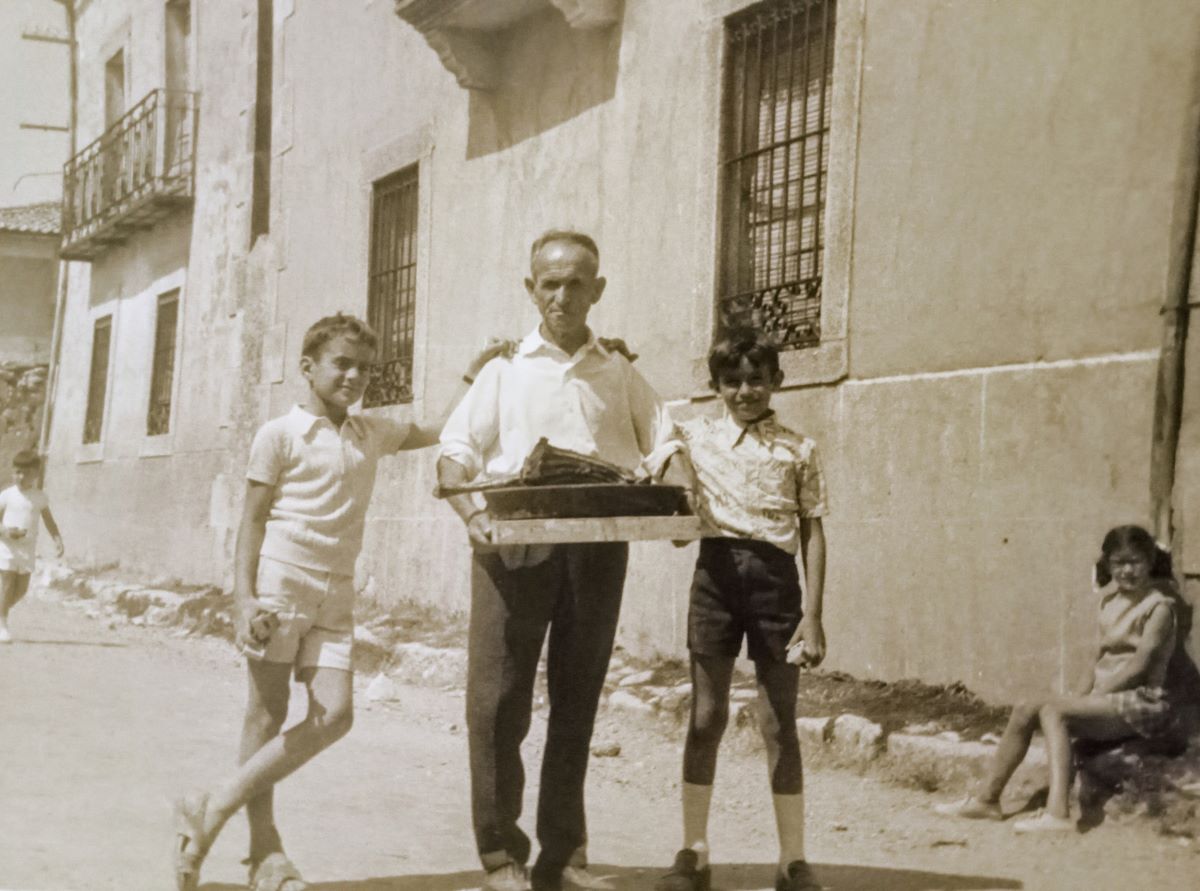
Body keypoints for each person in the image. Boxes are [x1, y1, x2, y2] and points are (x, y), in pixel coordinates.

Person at [173, 313, 507, 891]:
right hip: (281, 583)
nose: (354, 377)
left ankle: (213, 806)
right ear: (308, 368)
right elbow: (251, 522)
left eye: (365, 369)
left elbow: (437, 428)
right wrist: (245, 599)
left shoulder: (369, 432)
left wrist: (476, 371)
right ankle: (264, 854)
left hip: (336, 591)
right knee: (267, 713)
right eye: (341, 364)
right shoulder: (278, 434)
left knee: (336, 714)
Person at [437, 230, 674, 891]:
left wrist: (682, 501)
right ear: (530, 288)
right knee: (499, 702)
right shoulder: (504, 370)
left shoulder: (620, 371)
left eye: (576, 283)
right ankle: (500, 856)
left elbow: (665, 442)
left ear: (597, 290)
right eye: (549, 282)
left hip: (597, 550)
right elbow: (454, 451)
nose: (562, 295)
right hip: (513, 546)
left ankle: (563, 854)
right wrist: (474, 516)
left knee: (578, 701)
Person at [647, 328, 827, 891]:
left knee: (780, 725)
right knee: (705, 718)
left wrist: (814, 615)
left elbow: (813, 532)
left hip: (777, 586)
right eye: (732, 381)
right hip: (715, 580)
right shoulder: (694, 439)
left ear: (777, 380)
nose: (745, 390)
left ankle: (792, 861)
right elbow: (656, 449)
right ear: (716, 386)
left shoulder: (799, 448)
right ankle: (693, 853)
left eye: (756, 379)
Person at [934, 524, 1181, 833]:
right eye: (1119, 563)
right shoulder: (1108, 602)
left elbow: (1139, 666)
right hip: (1108, 700)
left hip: (1144, 702)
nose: (1127, 570)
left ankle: (1058, 814)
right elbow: (1096, 658)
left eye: (1136, 561)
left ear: (1149, 561)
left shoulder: (1158, 606)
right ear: (1108, 564)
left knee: (1054, 712)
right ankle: (986, 800)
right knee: (1027, 706)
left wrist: (1090, 698)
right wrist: (1078, 695)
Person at [0, 450, 65, 643]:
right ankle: (2, 624)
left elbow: (49, 520)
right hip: (7, 547)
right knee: (7, 584)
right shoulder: (7, 495)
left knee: (21, 589)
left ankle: (0, 611)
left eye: (26, 473)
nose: (21, 477)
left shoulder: (40, 497)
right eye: (17, 472)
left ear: (36, 473)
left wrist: (57, 539)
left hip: (27, 549)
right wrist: (5, 532)